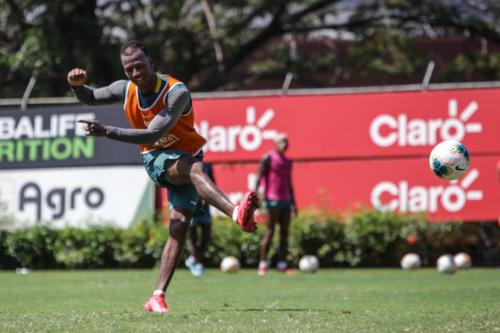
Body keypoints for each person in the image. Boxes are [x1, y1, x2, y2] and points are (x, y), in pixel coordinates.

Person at [67, 40, 258, 314]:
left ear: (151, 64)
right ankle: (237, 213)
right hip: (156, 158)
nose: (135, 73)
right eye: (129, 69)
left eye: (139, 66)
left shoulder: (176, 93)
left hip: (182, 153)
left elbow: (154, 132)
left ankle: (156, 297)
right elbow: (90, 97)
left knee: (179, 227)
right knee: (194, 170)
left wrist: (108, 130)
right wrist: (76, 85)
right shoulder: (125, 89)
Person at [254, 133, 297, 276]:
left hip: (286, 201)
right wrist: (256, 200)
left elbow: (290, 184)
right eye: (282, 142)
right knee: (270, 231)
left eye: (286, 142)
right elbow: (258, 177)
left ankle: (282, 264)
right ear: (275, 143)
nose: (285, 144)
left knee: (284, 233)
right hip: (271, 200)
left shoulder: (288, 161)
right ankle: (263, 264)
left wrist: (293, 204)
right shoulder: (268, 158)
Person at [184, 162, 215, 276]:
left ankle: (193, 258)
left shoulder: (207, 166)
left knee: (206, 236)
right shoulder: (185, 163)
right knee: (192, 236)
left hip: (204, 206)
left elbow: (212, 184)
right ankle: (197, 264)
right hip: (190, 204)